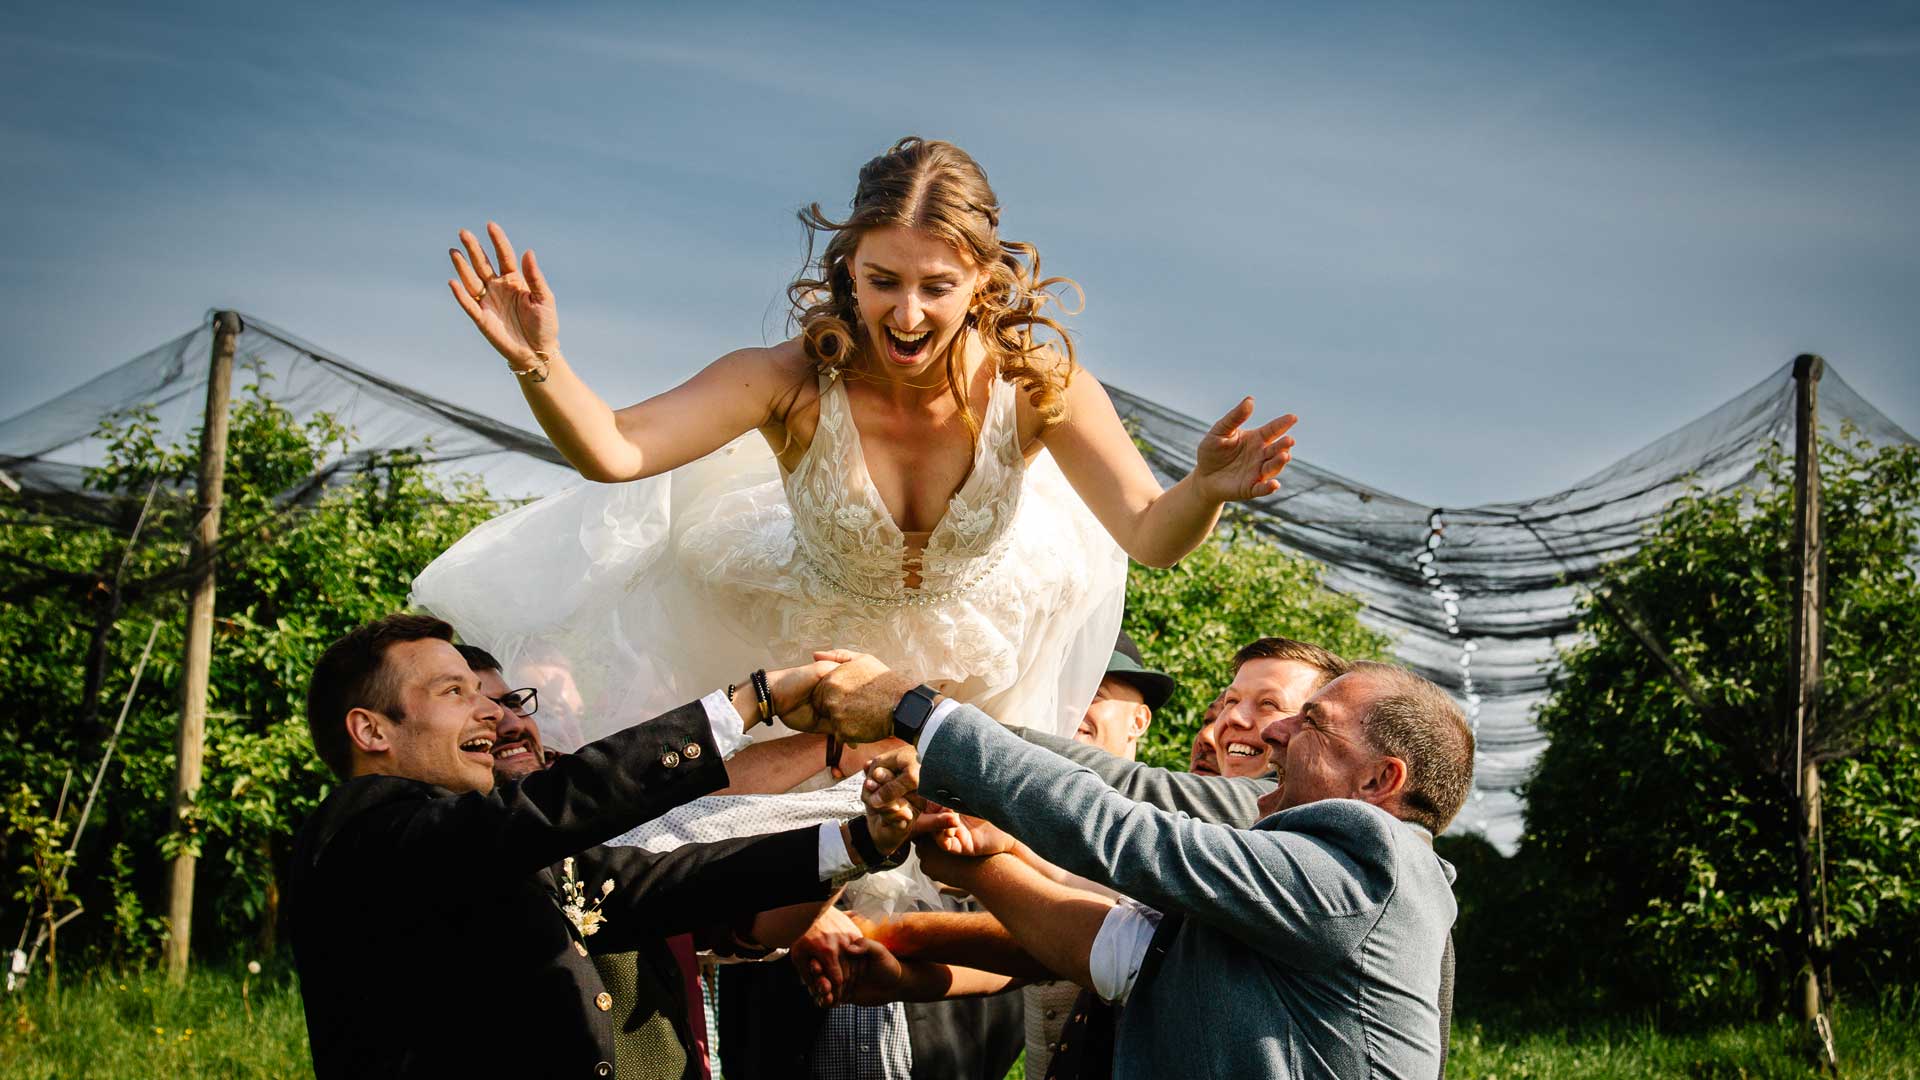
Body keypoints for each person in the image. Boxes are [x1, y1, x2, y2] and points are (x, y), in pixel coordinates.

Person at [419, 135, 1298, 752]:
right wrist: (542, 365)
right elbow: (613, 451)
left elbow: (1149, 534)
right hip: (801, 640)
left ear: (985, 280)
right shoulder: (788, 379)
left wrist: (1205, 492)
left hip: (977, 649)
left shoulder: (1037, 388)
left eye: (936, 286)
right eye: (882, 281)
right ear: (848, 268)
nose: (906, 314)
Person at [289, 615, 915, 1078]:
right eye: (455, 693)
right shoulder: (361, 835)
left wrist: (858, 840)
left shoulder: (470, 839)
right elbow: (562, 799)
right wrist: (755, 700)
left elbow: (658, 884)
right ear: (370, 730)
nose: (491, 714)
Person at [805, 653, 1474, 1080]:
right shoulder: (1299, 890)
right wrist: (981, 864)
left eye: (1312, 724)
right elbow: (1129, 951)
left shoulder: (1369, 861)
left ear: (1379, 781)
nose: (1274, 735)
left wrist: (918, 713)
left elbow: (1131, 834)